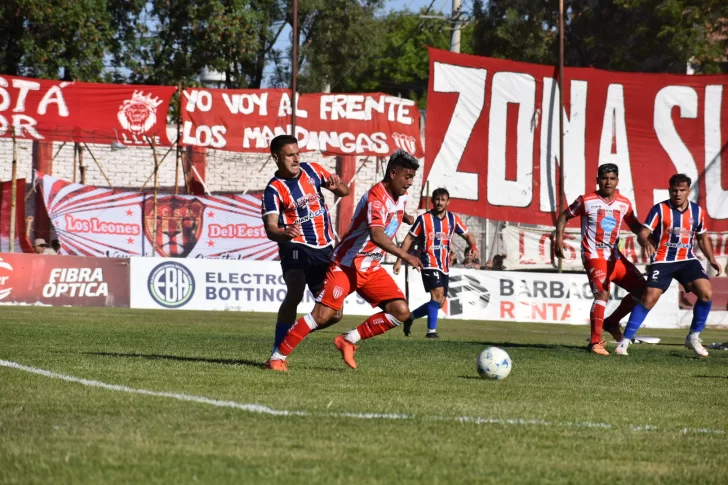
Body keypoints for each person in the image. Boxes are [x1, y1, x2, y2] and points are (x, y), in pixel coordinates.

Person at [265, 150, 423, 371]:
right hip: (346, 265)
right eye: (407, 177)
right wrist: (406, 255)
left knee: (401, 311)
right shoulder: (375, 198)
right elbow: (377, 235)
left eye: (412, 177)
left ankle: (347, 340)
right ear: (393, 173)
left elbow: (393, 211)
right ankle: (277, 357)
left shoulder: (401, 196)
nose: (410, 183)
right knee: (322, 315)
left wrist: (404, 216)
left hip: (371, 267)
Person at [261, 134, 350, 357]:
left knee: (336, 314)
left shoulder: (313, 170)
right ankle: (277, 348)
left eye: (298, 153)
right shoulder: (273, 189)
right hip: (295, 245)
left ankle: (292, 335)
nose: (296, 158)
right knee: (296, 287)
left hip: (325, 247)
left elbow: (345, 191)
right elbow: (271, 228)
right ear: (276, 158)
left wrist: (337, 186)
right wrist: (283, 232)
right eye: (290, 155)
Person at [615, 174, 722, 357]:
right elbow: (643, 232)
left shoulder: (697, 212)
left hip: (687, 259)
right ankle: (624, 342)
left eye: (682, 190)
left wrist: (711, 259)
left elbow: (702, 237)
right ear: (669, 190)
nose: (678, 194)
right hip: (663, 259)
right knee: (648, 299)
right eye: (674, 190)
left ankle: (693, 337)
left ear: (689, 191)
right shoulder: (660, 210)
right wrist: (646, 243)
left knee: (706, 294)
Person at [555, 163, 647, 356]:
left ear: (617, 181)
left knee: (643, 291)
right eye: (604, 178)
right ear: (598, 180)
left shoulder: (624, 203)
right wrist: (558, 240)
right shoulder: (586, 201)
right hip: (594, 255)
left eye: (612, 178)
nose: (608, 182)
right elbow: (563, 216)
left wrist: (651, 237)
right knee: (602, 295)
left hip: (615, 258)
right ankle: (595, 343)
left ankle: (612, 322)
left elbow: (635, 226)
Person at [393, 187, 478, 338]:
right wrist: (399, 260)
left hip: (444, 265)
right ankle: (431, 332)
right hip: (428, 262)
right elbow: (408, 239)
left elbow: (468, 235)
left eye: (443, 200)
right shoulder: (424, 219)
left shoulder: (453, 219)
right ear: (432, 201)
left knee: (440, 302)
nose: (439, 202)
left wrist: (473, 246)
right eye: (437, 200)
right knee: (437, 294)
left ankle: (410, 318)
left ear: (448, 202)